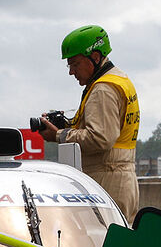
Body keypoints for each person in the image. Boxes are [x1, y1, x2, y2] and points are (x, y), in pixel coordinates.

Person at [38, 25, 140, 220]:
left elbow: (101, 139)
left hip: (107, 177)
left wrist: (58, 135)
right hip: (120, 177)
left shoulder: (102, 90)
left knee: (102, 243)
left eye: (75, 64)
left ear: (94, 57)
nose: (71, 72)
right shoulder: (119, 79)